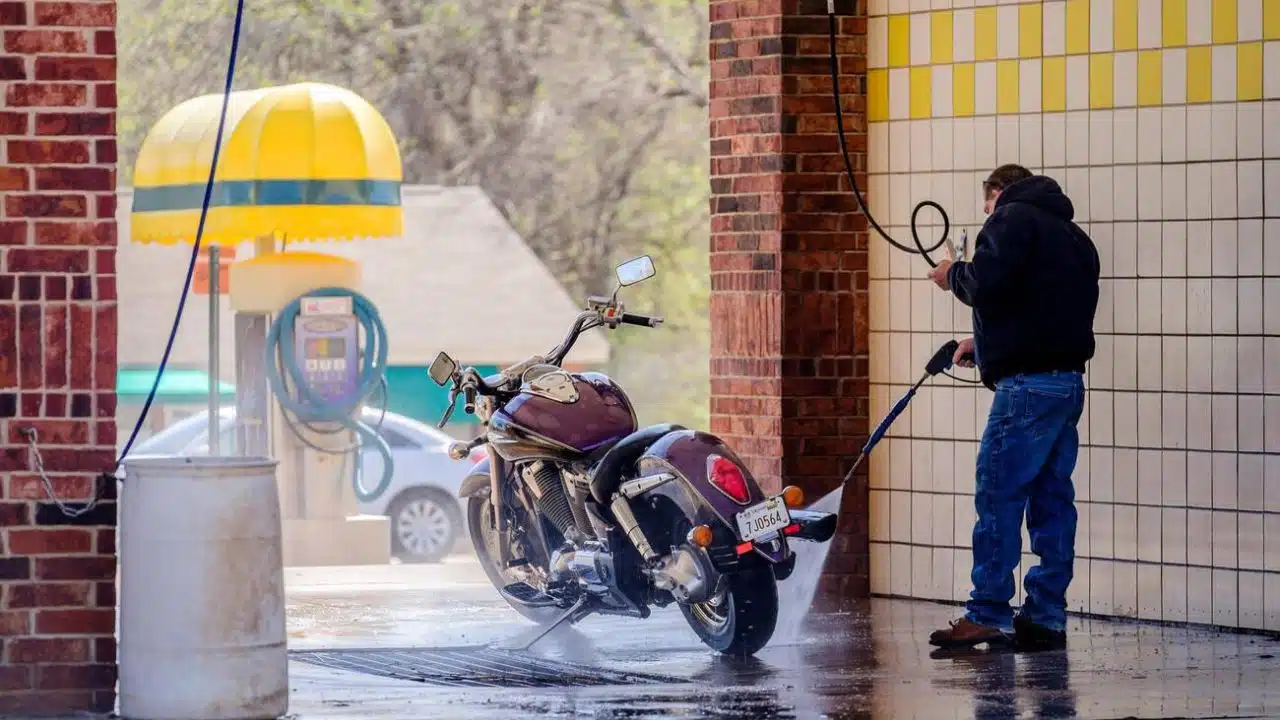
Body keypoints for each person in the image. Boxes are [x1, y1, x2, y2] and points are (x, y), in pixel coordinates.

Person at [925, 164, 1100, 651]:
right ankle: (1046, 617)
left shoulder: (1010, 217)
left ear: (997, 194)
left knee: (999, 495)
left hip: (1024, 389)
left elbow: (986, 284)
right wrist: (982, 343)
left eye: (987, 206)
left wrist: (951, 275)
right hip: (1065, 386)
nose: (987, 215)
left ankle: (988, 612)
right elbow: (1039, 309)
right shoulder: (1074, 237)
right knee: (1052, 503)